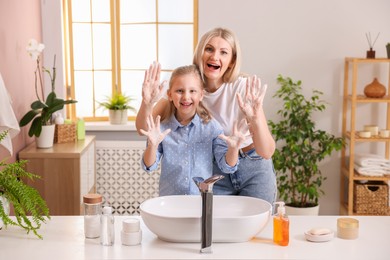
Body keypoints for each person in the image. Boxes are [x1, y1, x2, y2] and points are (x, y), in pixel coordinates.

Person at [136, 27, 276, 204]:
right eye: (209, 49)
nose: (214, 56)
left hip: (253, 166)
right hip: (218, 170)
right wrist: (146, 103)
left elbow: (267, 151)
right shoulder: (189, 87)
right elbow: (143, 129)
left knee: (257, 227)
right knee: (217, 228)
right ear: (200, 53)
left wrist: (255, 118)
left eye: (223, 52)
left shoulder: (242, 87)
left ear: (231, 61)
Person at [140, 64, 246, 196]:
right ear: (170, 95)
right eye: (179, 91)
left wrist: (233, 149)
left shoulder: (211, 127)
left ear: (201, 95)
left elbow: (227, 166)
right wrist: (152, 145)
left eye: (192, 91)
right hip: (170, 203)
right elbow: (149, 166)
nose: (186, 97)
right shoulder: (160, 129)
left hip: (200, 203)